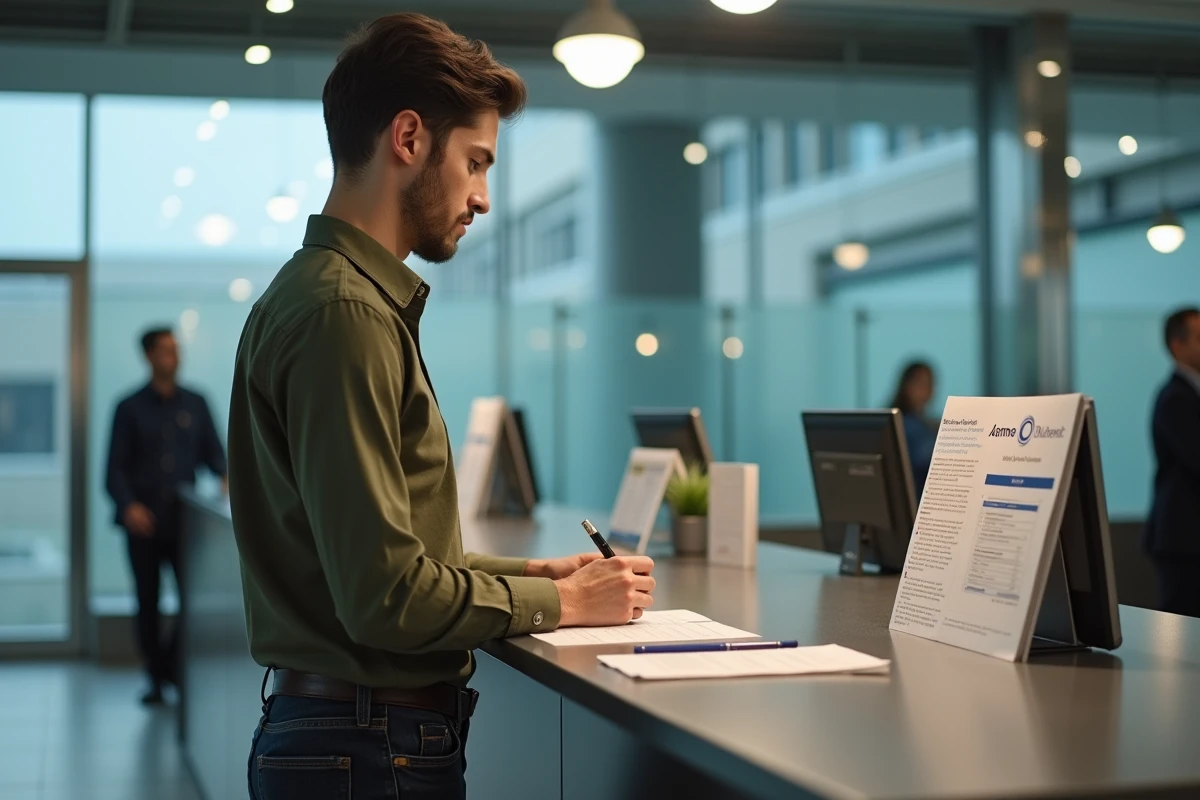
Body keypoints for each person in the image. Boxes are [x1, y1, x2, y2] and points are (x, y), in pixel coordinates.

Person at [227, 14, 656, 799]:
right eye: (476, 163)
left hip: (352, 741)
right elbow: (385, 598)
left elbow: (383, 560)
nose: (483, 199)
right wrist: (562, 601)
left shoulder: (332, 299)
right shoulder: (345, 315)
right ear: (410, 137)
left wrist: (533, 570)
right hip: (366, 748)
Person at [105, 327, 227, 704]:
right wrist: (129, 507)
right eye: (164, 350)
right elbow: (113, 470)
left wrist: (227, 480)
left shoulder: (195, 403)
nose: (172, 357)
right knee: (148, 601)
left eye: (176, 350)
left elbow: (215, 456)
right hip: (143, 524)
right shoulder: (129, 408)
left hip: (185, 523)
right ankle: (156, 678)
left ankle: (172, 668)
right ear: (148, 356)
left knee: (191, 598)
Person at [1144, 307, 1200, 618]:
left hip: (1188, 539)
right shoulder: (1175, 398)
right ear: (1177, 346)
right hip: (1184, 540)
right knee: (1182, 629)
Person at [889, 360, 938, 500]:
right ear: (906, 385)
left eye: (930, 385)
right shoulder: (899, 424)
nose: (926, 391)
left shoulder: (929, 424)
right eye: (920, 384)